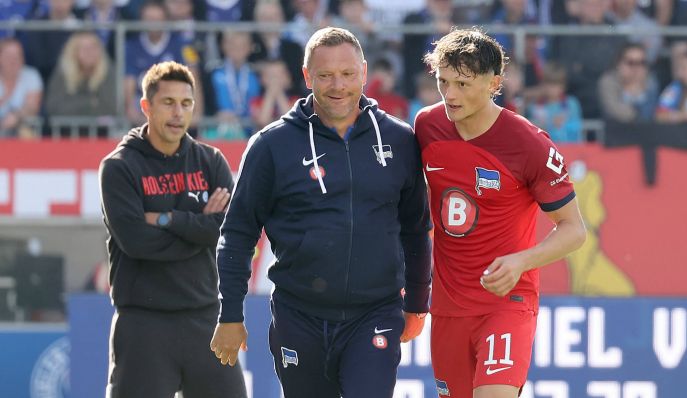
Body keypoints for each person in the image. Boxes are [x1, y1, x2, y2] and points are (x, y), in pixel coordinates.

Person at [210, 27, 432, 398]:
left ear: (363, 72)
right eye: (325, 75)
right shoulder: (270, 146)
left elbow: (416, 228)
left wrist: (418, 302)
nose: (338, 86)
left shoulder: (399, 139)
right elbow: (237, 234)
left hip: (375, 314)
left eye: (347, 74)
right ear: (307, 76)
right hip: (299, 316)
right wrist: (230, 313)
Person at [414, 28, 586, 398]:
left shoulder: (529, 144)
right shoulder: (427, 125)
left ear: (494, 83)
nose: (450, 94)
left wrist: (521, 261)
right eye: (443, 81)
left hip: (506, 303)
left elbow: (574, 230)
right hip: (447, 307)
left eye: (462, 83)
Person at [98, 61, 247, 398]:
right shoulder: (119, 167)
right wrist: (200, 226)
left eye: (186, 103)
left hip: (206, 318)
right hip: (143, 324)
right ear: (146, 107)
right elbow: (136, 242)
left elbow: (223, 233)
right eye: (168, 103)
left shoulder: (211, 161)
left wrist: (167, 220)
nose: (178, 113)